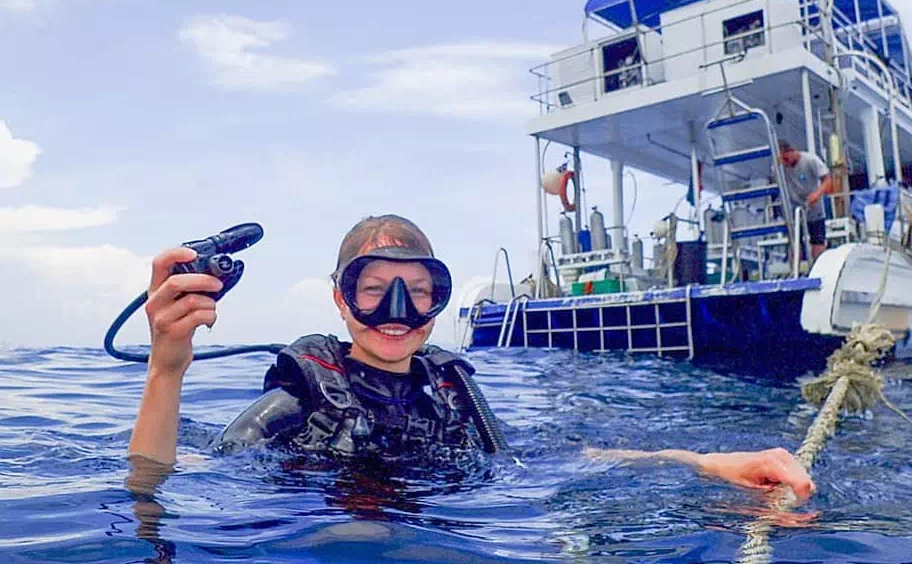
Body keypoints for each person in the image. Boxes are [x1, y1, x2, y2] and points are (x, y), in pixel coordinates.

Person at [128, 214, 815, 501]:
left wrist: (705, 463)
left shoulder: (451, 395)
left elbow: (551, 461)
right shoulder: (302, 398)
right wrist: (166, 369)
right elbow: (158, 477)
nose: (396, 312)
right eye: (373, 290)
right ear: (340, 300)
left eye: (418, 292)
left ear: (438, 303)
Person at [777, 140, 834, 260]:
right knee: (793, 243)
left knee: (817, 242)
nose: (785, 164)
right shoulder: (779, 167)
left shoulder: (810, 160)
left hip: (814, 209)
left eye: (786, 159)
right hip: (793, 210)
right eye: (782, 161)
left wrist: (817, 194)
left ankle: (818, 265)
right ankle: (794, 268)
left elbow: (827, 179)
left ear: (792, 151)